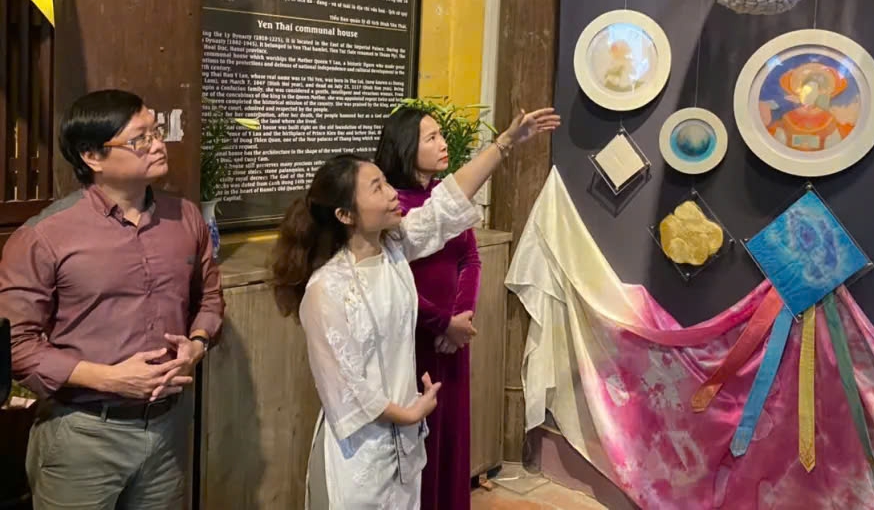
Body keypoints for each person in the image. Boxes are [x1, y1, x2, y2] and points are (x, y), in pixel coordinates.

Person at [272, 107, 560, 510]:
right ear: (345, 215)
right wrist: (407, 414)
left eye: (387, 182)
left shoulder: (393, 250)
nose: (392, 193)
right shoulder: (325, 289)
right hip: (359, 454)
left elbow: (447, 204)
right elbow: (345, 390)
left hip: (405, 441)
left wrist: (505, 142)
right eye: (377, 188)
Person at [0, 89, 224, 510]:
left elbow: (209, 299)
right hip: (82, 432)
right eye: (140, 139)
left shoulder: (185, 217)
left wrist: (197, 344)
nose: (157, 144)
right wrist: (108, 378)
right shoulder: (44, 236)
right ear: (93, 157)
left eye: (157, 131)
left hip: (169, 426)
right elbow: (16, 344)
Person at [374, 107, 480, 510]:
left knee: (451, 435)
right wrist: (441, 322)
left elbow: (470, 259)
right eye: (431, 137)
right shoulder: (390, 205)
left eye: (441, 135)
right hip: (414, 338)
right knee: (419, 440)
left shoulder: (446, 198)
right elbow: (392, 280)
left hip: (454, 339)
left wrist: (462, 317)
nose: (443, 143)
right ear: (405, 146)